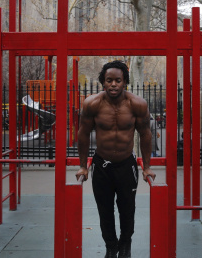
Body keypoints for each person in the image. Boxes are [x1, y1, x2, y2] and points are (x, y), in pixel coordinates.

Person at [76, 60, 156, 258]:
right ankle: (111, 247)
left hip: (126, 165)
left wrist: (147, 167)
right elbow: (83, 134)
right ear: (103, 82)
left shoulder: (137, 104)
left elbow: (145, 134)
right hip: (101, 166)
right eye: (109, 80)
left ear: (125, 82)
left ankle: (125, 245)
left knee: (127, 209)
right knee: (105, 210)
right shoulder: (92, 104)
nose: (113, 84)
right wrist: (82, 167)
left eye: (117, 80)